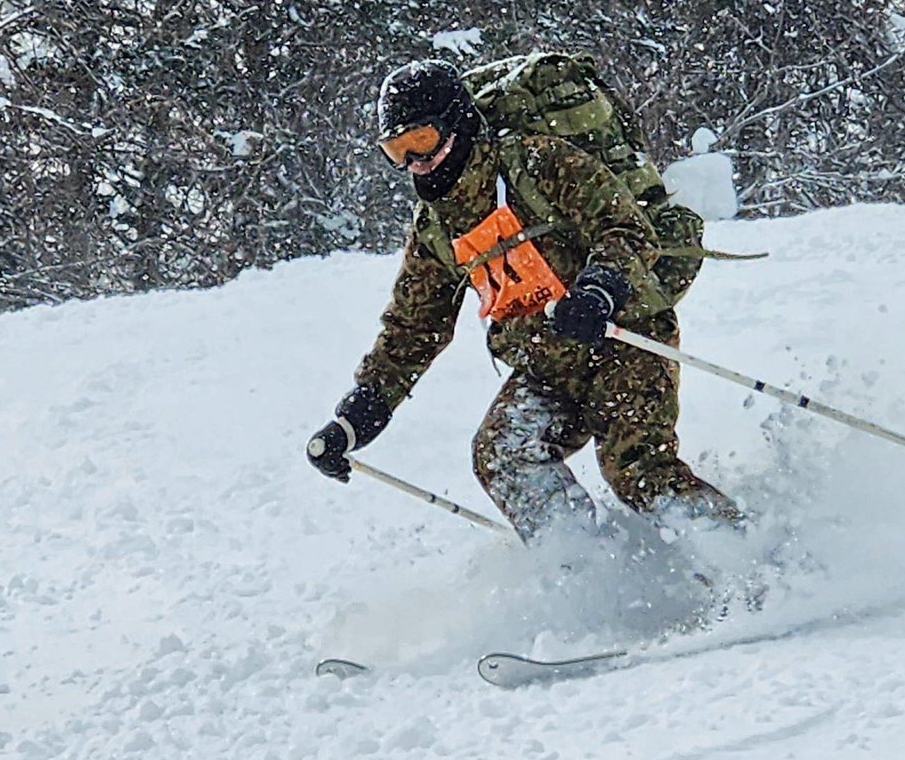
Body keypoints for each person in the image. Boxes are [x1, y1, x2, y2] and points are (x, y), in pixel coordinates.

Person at [307, 59, 741, 542]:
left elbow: (625, 227)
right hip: (549, 365)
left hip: (623, 336)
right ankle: (583, 575)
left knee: (636, 470)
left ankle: (746, 560)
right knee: (502, 453)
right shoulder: (436, 228)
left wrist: (598, 289)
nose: (415, 163)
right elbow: (412, 329)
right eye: (397, 151)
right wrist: (354, 419)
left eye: (422, 141)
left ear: (456, 123)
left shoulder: (535, 162)